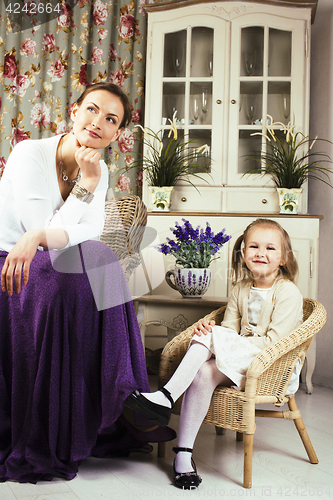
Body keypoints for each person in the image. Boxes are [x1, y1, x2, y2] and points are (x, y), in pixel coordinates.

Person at [0, 82, 174, 484]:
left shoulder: (100, 167)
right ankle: (119, 396)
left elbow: (86, 234)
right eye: (92, 110)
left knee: (102, 259)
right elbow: (41, 229)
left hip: (48, 255)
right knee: (70, 278)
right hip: (11, 260)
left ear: (116, 135)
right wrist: (82, 190)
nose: (98, 122)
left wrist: (48, 231)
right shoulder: (31, 154)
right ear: (74, 110)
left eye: (110, 119)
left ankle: (126, 393)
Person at [125, 218, 303, 490]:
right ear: (242, 254)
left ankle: (166, 396)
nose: (260, 253)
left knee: (211, 336)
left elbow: (275, 344)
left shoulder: (287, 292)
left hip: (271, 367)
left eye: (270, 248)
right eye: (253, 246)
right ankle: (183, 455)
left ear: (283, 258)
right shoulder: (241, 289)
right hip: (240, 362)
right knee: (203, 371)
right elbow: (230, 329)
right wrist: (216, 331)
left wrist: (219, 338)